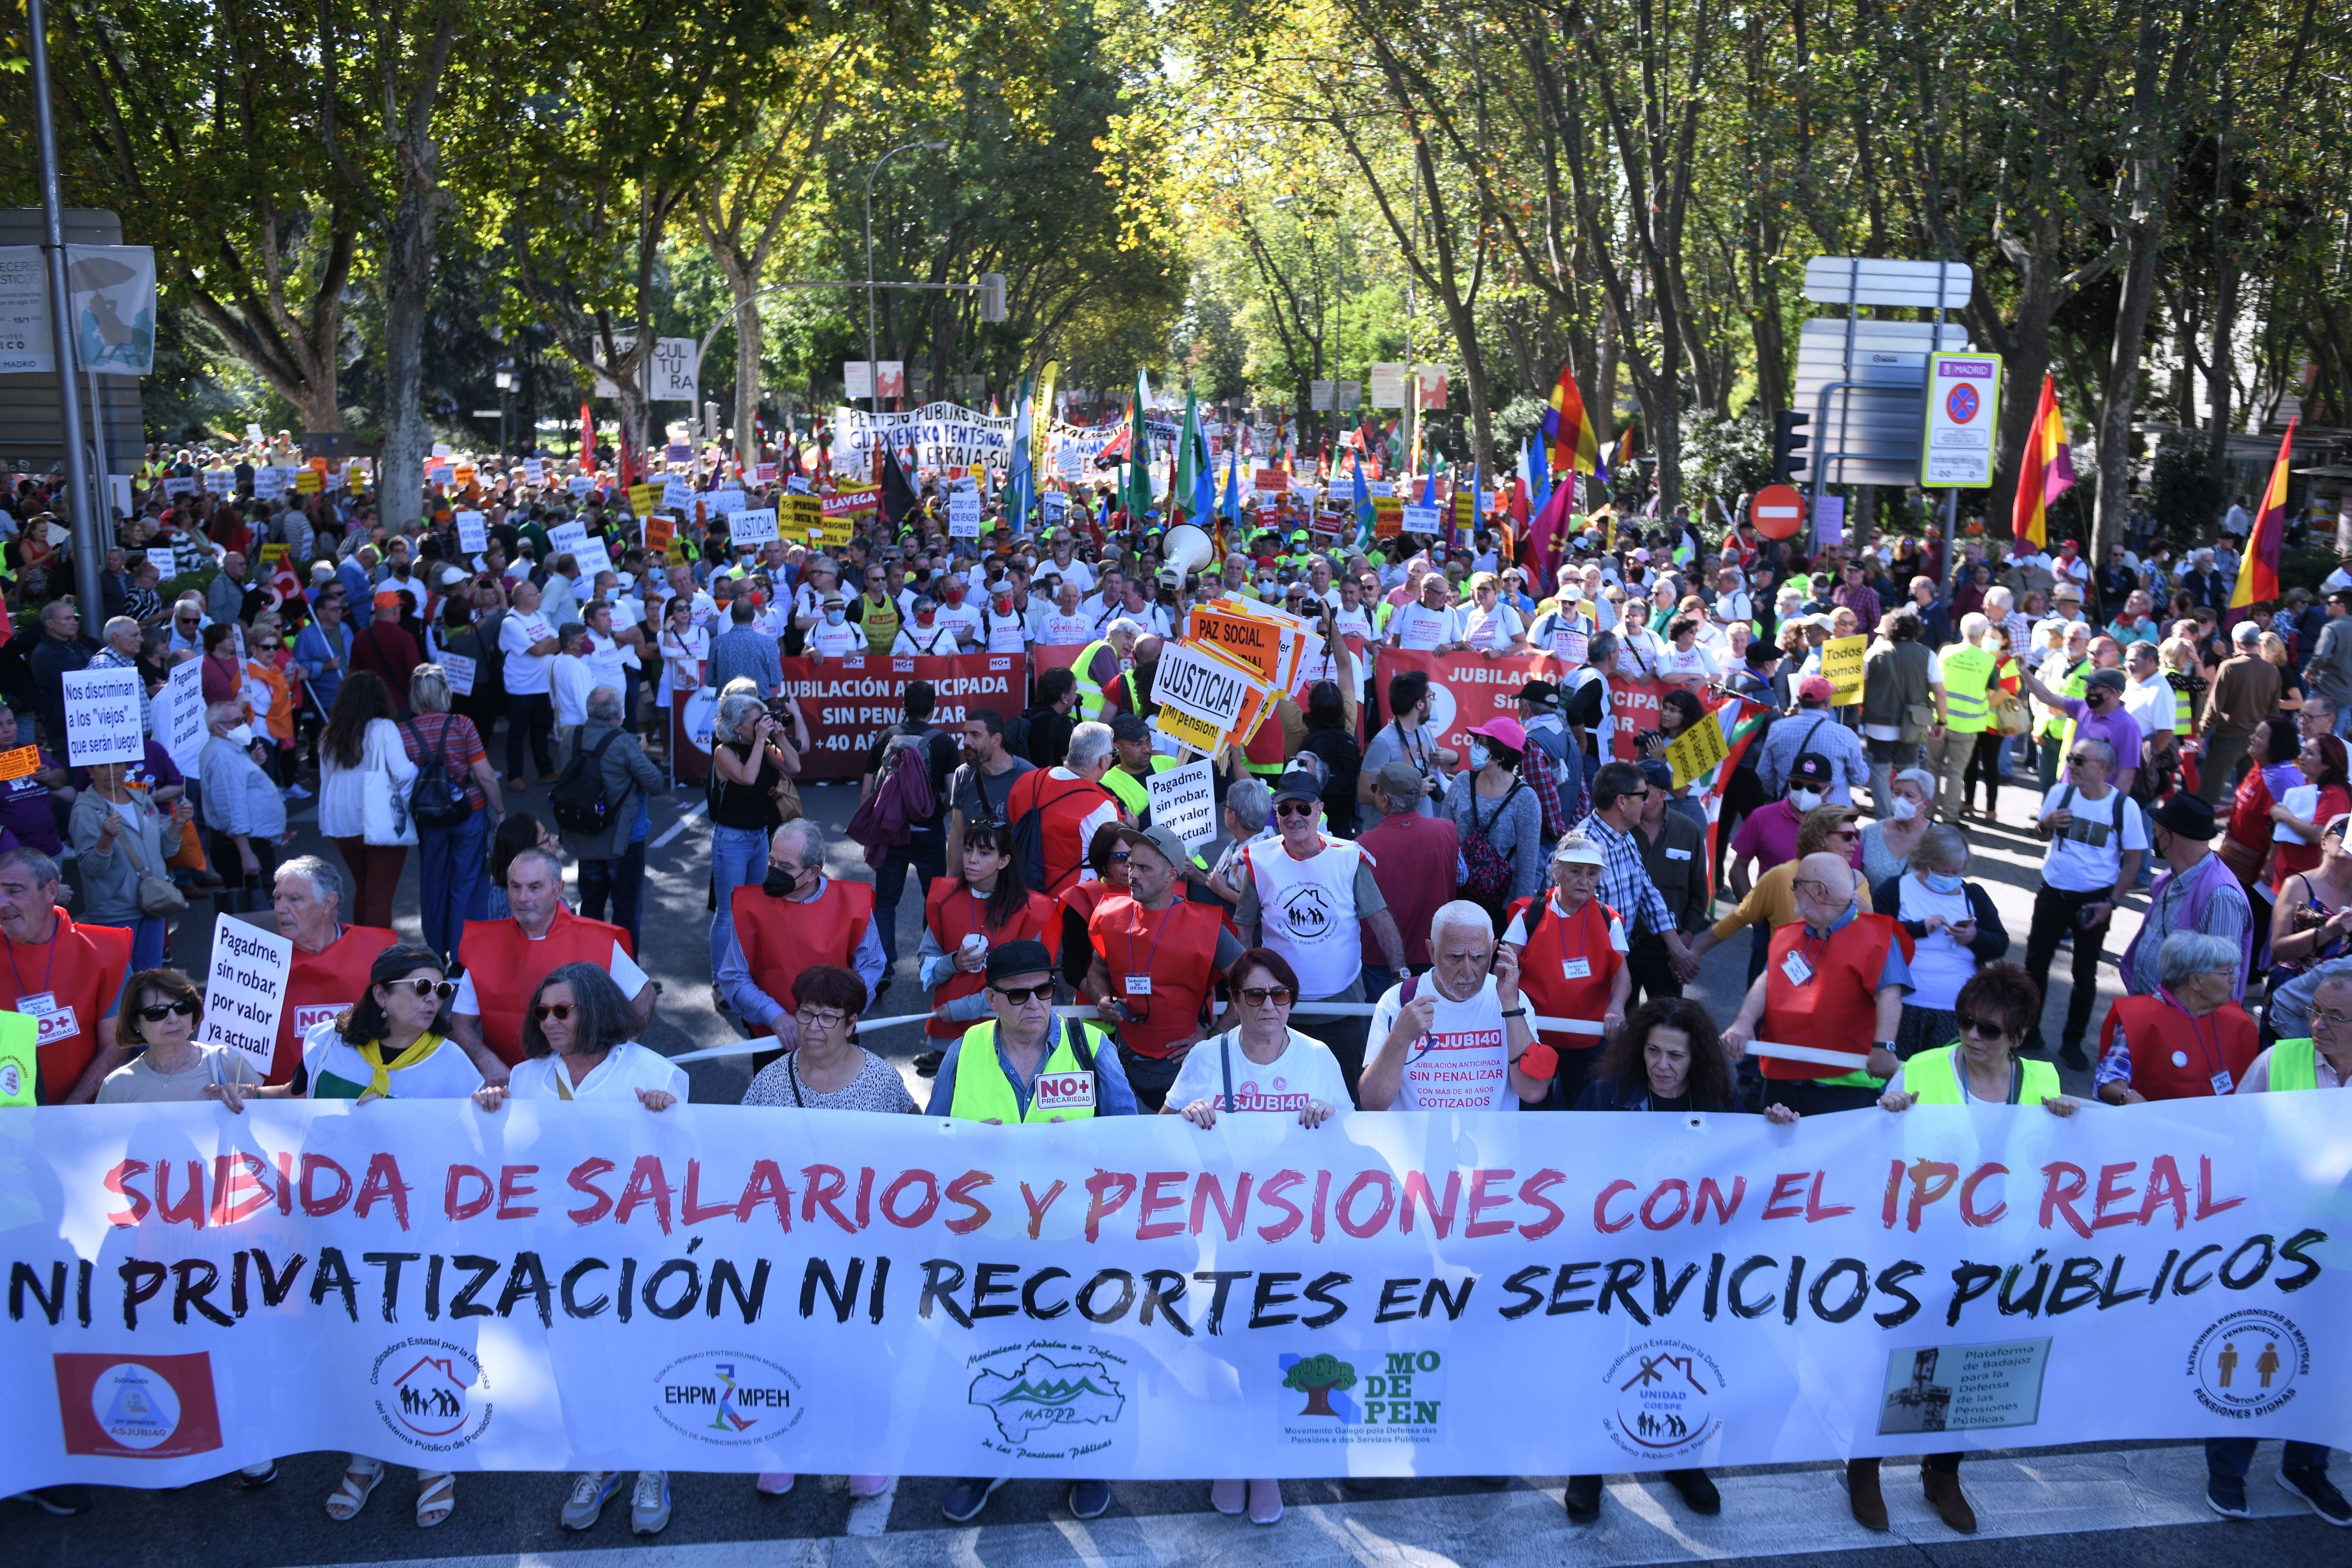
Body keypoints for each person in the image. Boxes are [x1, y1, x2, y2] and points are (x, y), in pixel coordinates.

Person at [1560, 996, 1797, 1523]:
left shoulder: (1719, 1105)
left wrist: (1777, 1129)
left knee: (1682, 1362)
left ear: (1698, 1059)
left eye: (1676, 1055)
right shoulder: (1605, 1096)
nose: (1662, 1066)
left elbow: (1751, 1168)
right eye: (1652, 1051)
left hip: (1689, 1270)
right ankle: (1586, 1469)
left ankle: (1681, 1458)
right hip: (1613, 1264)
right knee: (1598, 1361)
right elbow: (1568, 1162)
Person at [1864, 961, 2078, 1533]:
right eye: (1965, 1022)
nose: (1973, 1036)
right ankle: (1865, 1465)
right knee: (1901, 1359)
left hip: (2001, 1259)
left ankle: (1942, 1470)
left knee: (1967, 1367)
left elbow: (2060, 1161)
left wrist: (2070, 1121)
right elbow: (1873, 1156)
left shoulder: (2045, 1081)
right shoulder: (1922, 1070)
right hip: (1923, 1250)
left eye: (1989, 1029)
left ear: (2020, 1035)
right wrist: (1885, 1117)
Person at [929, 938, 1137, 1524]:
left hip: (1074, 1242)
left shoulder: (1092, 1046)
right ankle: (985, 1459)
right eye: (1017, 996)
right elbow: (931, 1141)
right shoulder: (964, 1050)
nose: (1033, 1005)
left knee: (1079, 1352)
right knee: (992, 1355)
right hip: (987, 1243)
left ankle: (1084, 1460)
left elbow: (1133, 1140)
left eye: (1044, 991)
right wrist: (969, 1143)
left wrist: (1088, 1145)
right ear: (990, 999)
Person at [471, 963, 682, 1537]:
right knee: (578, 1358)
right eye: (543, 1011)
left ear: (592, 1007)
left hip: (636, 1246)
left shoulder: (656, 1072)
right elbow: (502, 1165)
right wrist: (487, 1116)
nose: (550, 1020)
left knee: (640, 1353)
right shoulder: (524, 1078)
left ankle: (653, 1465)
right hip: (555, 1247)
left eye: (562, 1009)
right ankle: (600, 1461)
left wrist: (671, 1120)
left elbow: (686, 1168)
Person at [1164, 945, 1345, 1528]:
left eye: (1281, 994)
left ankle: (1260, 1460)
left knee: (1268, 1347)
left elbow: (1349, 1146)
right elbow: (1160, 1134)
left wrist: (1329, 1119)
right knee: (1218, 1340)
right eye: (1255, 995)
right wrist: (1186, 1114)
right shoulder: (1207, 1055)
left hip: (1293, 1234)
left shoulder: (1318, 1056)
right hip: (1221, 1225)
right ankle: (1232, 1449)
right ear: (1234, 1002)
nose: (1269, 1006)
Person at [2202, 970, 2352, 1521]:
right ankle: (2227, 1467)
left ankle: (2305, 1465)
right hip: (2271, 1248)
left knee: (2332, 1365)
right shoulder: (2279, 1061)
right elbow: (2233, 1139)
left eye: (2336, 1017)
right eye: (2316, 1010)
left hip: (2344, 1257)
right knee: (2253, 1353)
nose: (2318, 1024)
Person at [1233, 776, 1406, 1098]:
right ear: (1277, 813)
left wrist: (1400, 976)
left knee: (1346, 1094)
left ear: (1320, 810)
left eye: (1303, 808)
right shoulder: (1258, 859)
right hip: (1281, 1010)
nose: (1294, 816)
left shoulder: (1349, 857)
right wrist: (1248, 988)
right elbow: (1244, 929)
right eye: (1285, 809)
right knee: (1285, 1096)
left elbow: (1381, 920)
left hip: (1344, 1007)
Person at [1720, 851, 1912, 1113]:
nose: (1792, 890)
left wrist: (1883, 1047)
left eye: (1798, 885)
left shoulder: (1877, 938)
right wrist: (1743, 1024)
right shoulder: (1790, 933)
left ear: (1820, 892)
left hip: (1845, 1088)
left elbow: (1890, 995)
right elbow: (1767, 982)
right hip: (1783, 1075)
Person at [449, 846, 652, 1078]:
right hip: (511, 1083)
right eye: (516, 887)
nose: (523, 897)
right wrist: (487, 1061)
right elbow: (460, 1021)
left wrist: (617, 1059)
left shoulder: (596, 940)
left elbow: (644, 996)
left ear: (559, 889)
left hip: (581, 1082)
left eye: (535, 887)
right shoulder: (485, 945)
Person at [1087, 824, 1245, 1109]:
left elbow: (1249, 981)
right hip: (1123, 1064)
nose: (1133, 875)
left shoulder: (1206, 926)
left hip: (1184, 1069)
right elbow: (1096, 971)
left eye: (1145, 869)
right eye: (1132, 865)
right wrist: (1102, 998)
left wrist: (1214, 1034)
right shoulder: (1109, 916)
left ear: (1173, 874)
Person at [2022, 736, 2147, 1066]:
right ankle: (2028, 1031)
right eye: (2071, 759)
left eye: (2080, 761)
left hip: (2094, 901)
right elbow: (2041, 835)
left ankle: (2073, 1041)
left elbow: (2133, 862)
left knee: (2084, 971)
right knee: (2035, 965)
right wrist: (2045, 825)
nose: (2071, 766)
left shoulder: (2123, 807)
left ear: (2103, 768)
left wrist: (2112, 903)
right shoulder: (2060, 793)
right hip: (2053, 892)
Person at [1359, 901, 1553, 1111]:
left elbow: (1533, 1092)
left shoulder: (1512, 999)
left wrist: (1511, 1006)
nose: (1468, 971)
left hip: (1492, 1143)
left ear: (1494, 950)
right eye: (1455, 957)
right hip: (1419, 1144)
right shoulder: (1398, 1000)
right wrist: (1400, 1038)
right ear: (1432, 951)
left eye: (1479, 957)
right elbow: (1372, 1103)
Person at [719, 819, 887, 1055]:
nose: (774, 871)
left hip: (837, 1036)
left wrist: (843, 1013)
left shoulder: (853, 904)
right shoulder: (749, 908)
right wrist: (775, 1016)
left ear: (813, 873)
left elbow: (872, 965)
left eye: (786, 867)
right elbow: (733, 977)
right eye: (771, 861)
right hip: (775, 1038)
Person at [1501, 833, 1629, 1107]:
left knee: (1581, 1112)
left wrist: (1616, 1006)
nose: (1585, 880)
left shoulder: (1609, 920)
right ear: (1557, 873)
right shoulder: (1530, 913)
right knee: (1533, 1110)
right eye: (1576, 871)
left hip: (1588, 1041)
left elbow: (1622, 975)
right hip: (1534, 1036)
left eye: (1592, 873)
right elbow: (1505, 968)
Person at [0, 847, 134, 1103]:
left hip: (84, 1115)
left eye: (14, 891)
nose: (2, 902)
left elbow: (116, 1044)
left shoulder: (103, 949)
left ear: (51, 891)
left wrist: (71, 1108)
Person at [1872, 825, 2008, 1058]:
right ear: (1924, 864)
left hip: (1958, 1011)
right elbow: (1873, 935)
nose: (1951, 879)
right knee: (1899, 1077)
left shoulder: (1974, 895)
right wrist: (1918, 928)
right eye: (1943, 872)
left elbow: (2000, 944)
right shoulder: (1896, 889)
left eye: (1957, 872)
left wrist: (1975, 937)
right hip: (1902, 1008)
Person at [921, 819, 1060, 1042]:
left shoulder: (1032, 912)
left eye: (984, 853)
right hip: (949, 1033)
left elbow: (1027, 983)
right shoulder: (944, 899)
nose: (971, 859)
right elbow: (926, 965)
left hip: (1008, 1033)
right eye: (968, 850)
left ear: (1004, 861)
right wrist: (955, 962)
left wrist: (963, 1008)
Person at [402, 664, 503, 962]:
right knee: (468, 881)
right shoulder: (462, 725)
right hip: (468, 810)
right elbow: (484, 775)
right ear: (446, 692)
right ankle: (463, 957)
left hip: (428, 815)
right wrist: (500, 810)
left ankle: (435, 952)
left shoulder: (403, 732)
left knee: (432, 881)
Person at [2092, 931, 2259, 1104]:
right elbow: (2108, 1078)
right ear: (2196, 981)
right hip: (2155, 1125)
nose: (2233, 980)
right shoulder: (2141, 1019)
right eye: (2226, 973)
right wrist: (2129, 1095)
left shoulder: (2239, 1023)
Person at [559, 686, 664, 952]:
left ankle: (591, 977)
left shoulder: (572, 735)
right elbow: (655, 784)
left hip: (584, 837)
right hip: (622, 842)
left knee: (591, 912)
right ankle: (628, 986)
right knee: (626, 916)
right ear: (619, 715)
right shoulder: (624, 742)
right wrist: (639, 749)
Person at [707, 691, 800, 988]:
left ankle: (746, 969)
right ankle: (721, 982)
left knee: (757, 905)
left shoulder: (765, 744)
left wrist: (780, 736)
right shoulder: (725, 751)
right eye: (756, 721)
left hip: (761, 838)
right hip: (732, 840)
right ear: (737, 727)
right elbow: (747, 778)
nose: (763, 724)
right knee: (727, 913)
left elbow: (795, 767)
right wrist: (762, 740)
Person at [2122, 790, 2252, 1002]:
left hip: (2177, 1021)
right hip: (2149, 1007)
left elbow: (2223, 985)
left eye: (2157, 832)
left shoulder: (2221, 897)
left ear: (2168, 837)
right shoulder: (2177, 874)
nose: (2154, 837)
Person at [316, 670, 417, 930]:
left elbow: (326, 783)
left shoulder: (328, 735)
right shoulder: (384, 729)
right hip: (380, 821)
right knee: (380, 898)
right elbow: (404, 774)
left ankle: (360, 954)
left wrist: (326, 823)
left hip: (342, 823)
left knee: (364, 890)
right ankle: (378, 961)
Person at [68, 758, 184, 972]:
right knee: (122, 988)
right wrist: (106, 838)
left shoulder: (142, 798)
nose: (113, 771)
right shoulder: (84, 811)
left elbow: (166, 851)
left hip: (154, 904)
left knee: (152, 979)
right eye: (103, 765)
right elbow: (91, 869)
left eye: (119, 764)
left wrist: (178, 826)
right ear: (90, 770)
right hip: (117, 913)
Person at [1354, 760, 1458, 1001]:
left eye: (1376, 789)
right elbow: (1460, 876)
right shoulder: (1447, 831)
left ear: (1385, 799)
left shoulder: (1363, 846)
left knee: (1385, 1029)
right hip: (1435, 952)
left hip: (1380, 960)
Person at [95, 965, 262, 1103]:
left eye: (182, 1007)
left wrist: (252, 1095)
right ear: (135, 1022)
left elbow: (272, 1116)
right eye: (157, 1012)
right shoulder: (118, 1085)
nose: (173, 1019)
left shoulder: (227, 1062)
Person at [1439, 715, 1545, 923]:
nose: (1475, 747)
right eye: (1477, 741)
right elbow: (1444, 838)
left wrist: (1520, 920)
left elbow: (1528, 865)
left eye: (1483, 743)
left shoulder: (1525, 800)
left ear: (1501, 755)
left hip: (1500, 908)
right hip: (1457, 900)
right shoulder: (1462, 782)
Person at [1003, 720, 1122, 897]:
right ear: (1104, 761)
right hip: (1072, 903)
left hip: (1018, 893)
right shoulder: (1103, 807)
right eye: (1114, 753)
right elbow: (1114, 864)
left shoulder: (1025, 782)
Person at [200, 699, 291, 898]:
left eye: (244, 719)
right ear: (218, 728)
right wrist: (247, 854)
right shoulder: (223, 757)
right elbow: (232, 806)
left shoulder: (230, 748)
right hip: (243, 847)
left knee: (257, 907)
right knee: (253, 910)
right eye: (236, 721)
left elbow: (240, 785)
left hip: (250, 843)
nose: (243, 725)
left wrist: (253, 763)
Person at [2192, 621, 2282, 802]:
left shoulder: (2230, 667)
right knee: (2247, 795)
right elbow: (2274, 713)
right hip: (2256, 740)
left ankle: (2200, 829)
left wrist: (2202, 732)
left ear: (2236, 643)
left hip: (2228, 739)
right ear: (2258, 643)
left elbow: (2214, 705)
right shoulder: (2273, 671)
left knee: (2209, 793)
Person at [1755, 675, 1870, 803]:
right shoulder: (1845, 735)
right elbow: (1860, 778)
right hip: (1833, 813)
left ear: (1799, 699)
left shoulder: (1778, 728)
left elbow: (1764, 773)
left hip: (1790, 809)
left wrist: (1782, 788)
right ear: (1828, 703)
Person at [1357, 667, 1453, 818]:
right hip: (1394, 834)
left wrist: (1455, 758)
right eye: (1431, 696)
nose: (1432, 701)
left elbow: (1438, 770)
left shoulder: (1423, 730)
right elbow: (1363, 794)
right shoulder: (1383, 742)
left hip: (1421, 827)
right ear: (1420, 704)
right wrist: (1411, 792)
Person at [943, 707, 1033, 866]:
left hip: (1015, 882)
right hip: (974, 881)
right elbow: (958, 833)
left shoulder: (1029, 777)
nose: (966, 742)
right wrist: (953, 880)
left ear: (996, 740)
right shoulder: (963, 775)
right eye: (965, 735)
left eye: (975, 735)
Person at [2269, 733, 2350, 892]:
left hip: (2305, 888)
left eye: (2310, 753)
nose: (2301, 757)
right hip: (2287, 877)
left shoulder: (2335, 793)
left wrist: (2286, 816)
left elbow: (2318, 833)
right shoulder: (2313, 784)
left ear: (2327, 764)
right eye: (2304, 751)